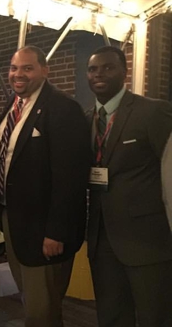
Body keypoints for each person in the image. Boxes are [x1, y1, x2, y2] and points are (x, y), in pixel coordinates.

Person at [0, 45, 91, 327]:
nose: (17, 74)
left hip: (44, 228)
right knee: (32, 302)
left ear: (45, 70)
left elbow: (70, 177)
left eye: (27, 67)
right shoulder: (13, 107)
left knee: (41, 311)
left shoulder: (63, 108)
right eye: (13, 68)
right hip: (13, 220)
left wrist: (56, 231)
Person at [85, 46, 172, 327]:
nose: (99, 74)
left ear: (124, 72)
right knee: (110, 317)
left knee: (153, 317)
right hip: (101, 241)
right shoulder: (86, 120)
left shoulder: (152, 112)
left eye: (108, 67)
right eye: (93, 69)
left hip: (147, 242)